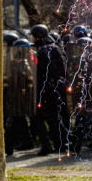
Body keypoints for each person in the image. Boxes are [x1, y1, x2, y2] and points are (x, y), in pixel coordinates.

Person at [30, 24, 68, 156]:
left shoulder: (42, 50)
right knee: (54, 117)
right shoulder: (55, 47)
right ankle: (62, 144)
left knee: (37, 116)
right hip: (55, 88)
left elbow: (42, 71)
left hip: (44, 89)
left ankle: (47, 145)